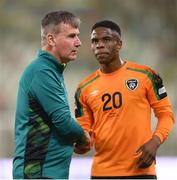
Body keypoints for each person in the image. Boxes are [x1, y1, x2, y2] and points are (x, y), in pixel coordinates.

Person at [74, 20, 174, 179]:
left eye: (106, 39)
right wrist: (80, 144)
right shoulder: (84, 88)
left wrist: (155, 141)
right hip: (102, 174)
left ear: (119, 44)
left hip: (141, 171)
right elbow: (86, 134)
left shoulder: (147, 75)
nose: (99, 45)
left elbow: (166, 115)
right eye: (95, 41)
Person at [13, 10, 90, 179]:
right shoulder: (42, 71)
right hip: (36, 173)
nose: (78, 42)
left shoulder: (52, 71)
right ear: (51, 39)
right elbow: (63, 121)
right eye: (71, 36)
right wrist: (83, 136)